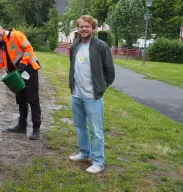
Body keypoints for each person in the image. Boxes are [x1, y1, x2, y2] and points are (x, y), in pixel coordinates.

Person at [67, 15, 115, 174]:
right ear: (78, 29)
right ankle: (84, 153)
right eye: (81, 26)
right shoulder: (75, 46)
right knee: (80, 127)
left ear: (93, 29)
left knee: (97, 130)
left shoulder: (101, 46)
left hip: (93, 97)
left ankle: (99, 162)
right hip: (76, 95)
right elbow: (73, 68)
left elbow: (110, 72)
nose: (84, 29)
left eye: (87, 26)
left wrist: (101, 87)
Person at [0, 23, 42, 140]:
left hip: (29, 70)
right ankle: (22, 126)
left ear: (2, 28)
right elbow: (0, 62)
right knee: (21, 100)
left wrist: (23, 63)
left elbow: (28, 48)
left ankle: (36, 129)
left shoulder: (16, 35)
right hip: (17, 74)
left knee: (33, 100)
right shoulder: (1, 46)